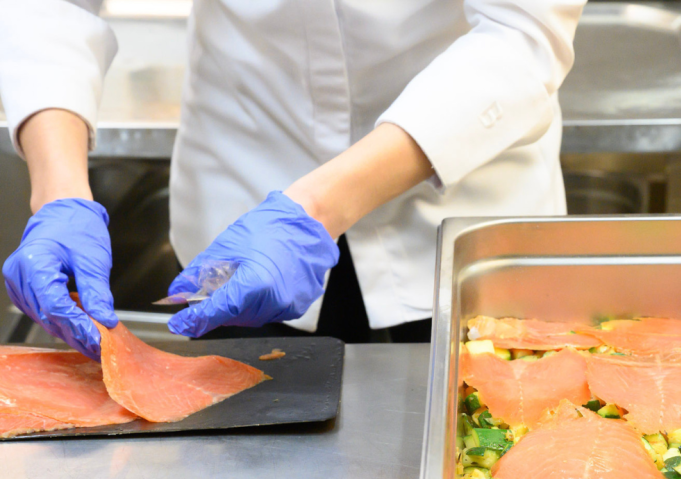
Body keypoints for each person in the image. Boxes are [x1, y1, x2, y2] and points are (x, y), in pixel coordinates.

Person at [0, 0, 584, 358]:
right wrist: (59, 193)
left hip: (463, 204)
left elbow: (521, 36)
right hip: (239, 195)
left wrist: (317, 209)